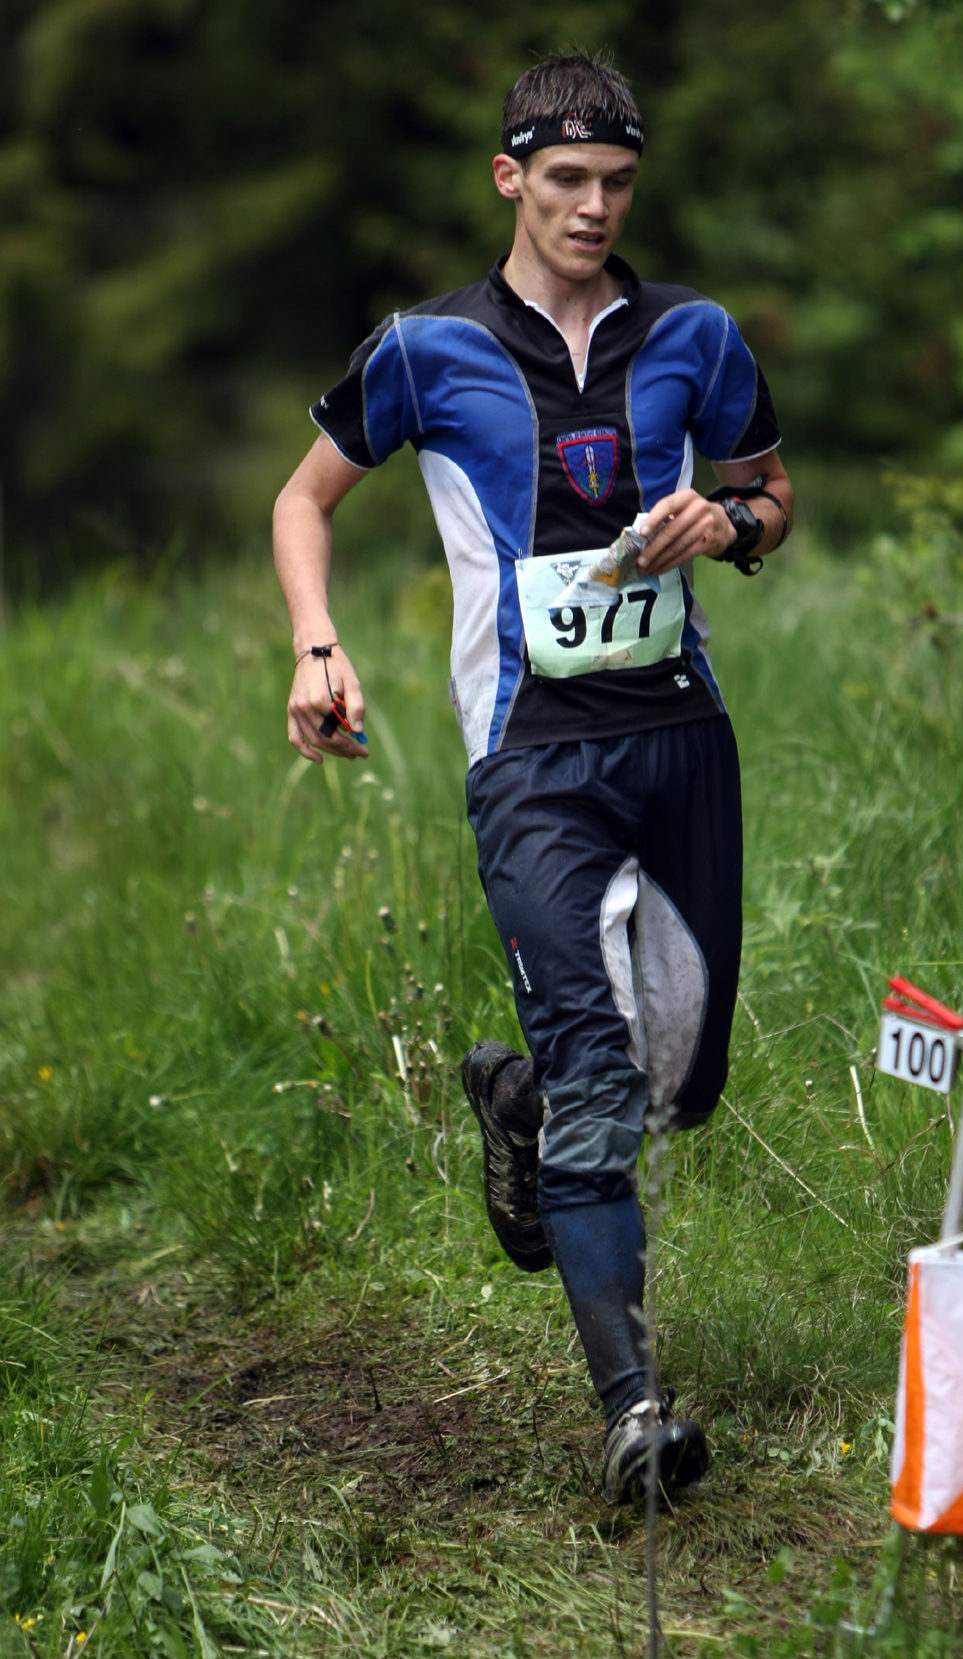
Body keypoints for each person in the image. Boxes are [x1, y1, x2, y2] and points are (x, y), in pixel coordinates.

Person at [273, 51, 793, 1503]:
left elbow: (773, 494)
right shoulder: (424, 347)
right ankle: (635, 1411)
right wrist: (320, 648)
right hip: (531, 754)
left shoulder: (695, 332)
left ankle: (510, 1110)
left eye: (618, 183)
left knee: (678, 1085)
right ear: (510, 178)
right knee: (597, 1083)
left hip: (681, 733)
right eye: (566, 180)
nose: (592, 206)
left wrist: (729, 528)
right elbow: (300, 500)